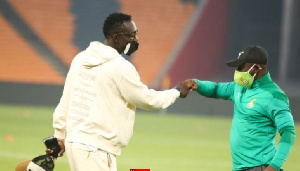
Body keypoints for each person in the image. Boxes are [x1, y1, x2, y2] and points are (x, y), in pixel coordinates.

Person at [49, 12, 191, 171]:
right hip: (96, 149)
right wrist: (177, 91)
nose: (136, 40)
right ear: (116, 38)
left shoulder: (80, 58)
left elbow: (65, 100)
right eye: (131, 35)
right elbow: (149, 100)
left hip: (77, 143)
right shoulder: (121, 68)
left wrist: (59, 135)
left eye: (136, 33)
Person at [186, 45, 296, 171]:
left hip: (261, 167)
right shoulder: (239, 87)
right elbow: (215, 89)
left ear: (255, 68)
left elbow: (288, 132)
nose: (237, 71)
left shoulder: (274, 96)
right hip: (239, 168)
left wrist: (274, 166)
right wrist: (196, 84)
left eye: (241, 67)